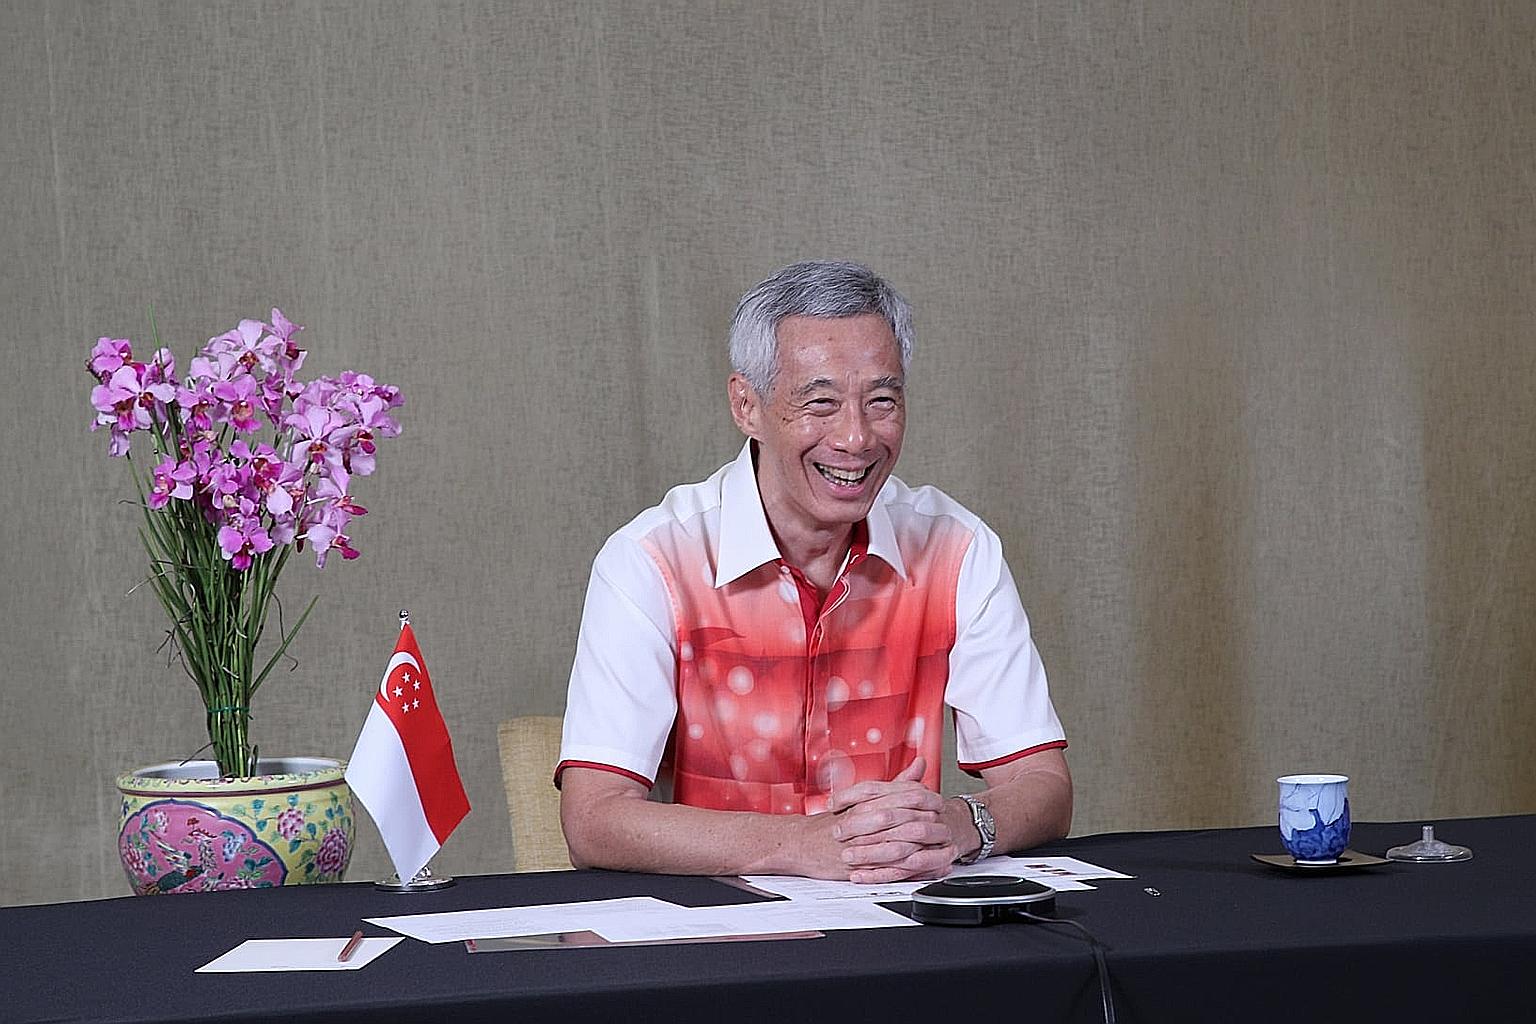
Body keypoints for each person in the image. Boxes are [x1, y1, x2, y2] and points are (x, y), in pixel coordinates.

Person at [557, 260, 1071, 883]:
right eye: (820, 403)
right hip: (713, 939)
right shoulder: (652, 560)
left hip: (904, 929)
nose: (856, 438)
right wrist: (803, 845)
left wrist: (961, 824)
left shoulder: (955, 548)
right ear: (746, 405)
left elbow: (1042, 784)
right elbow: (595, 820)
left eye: (882, 400)